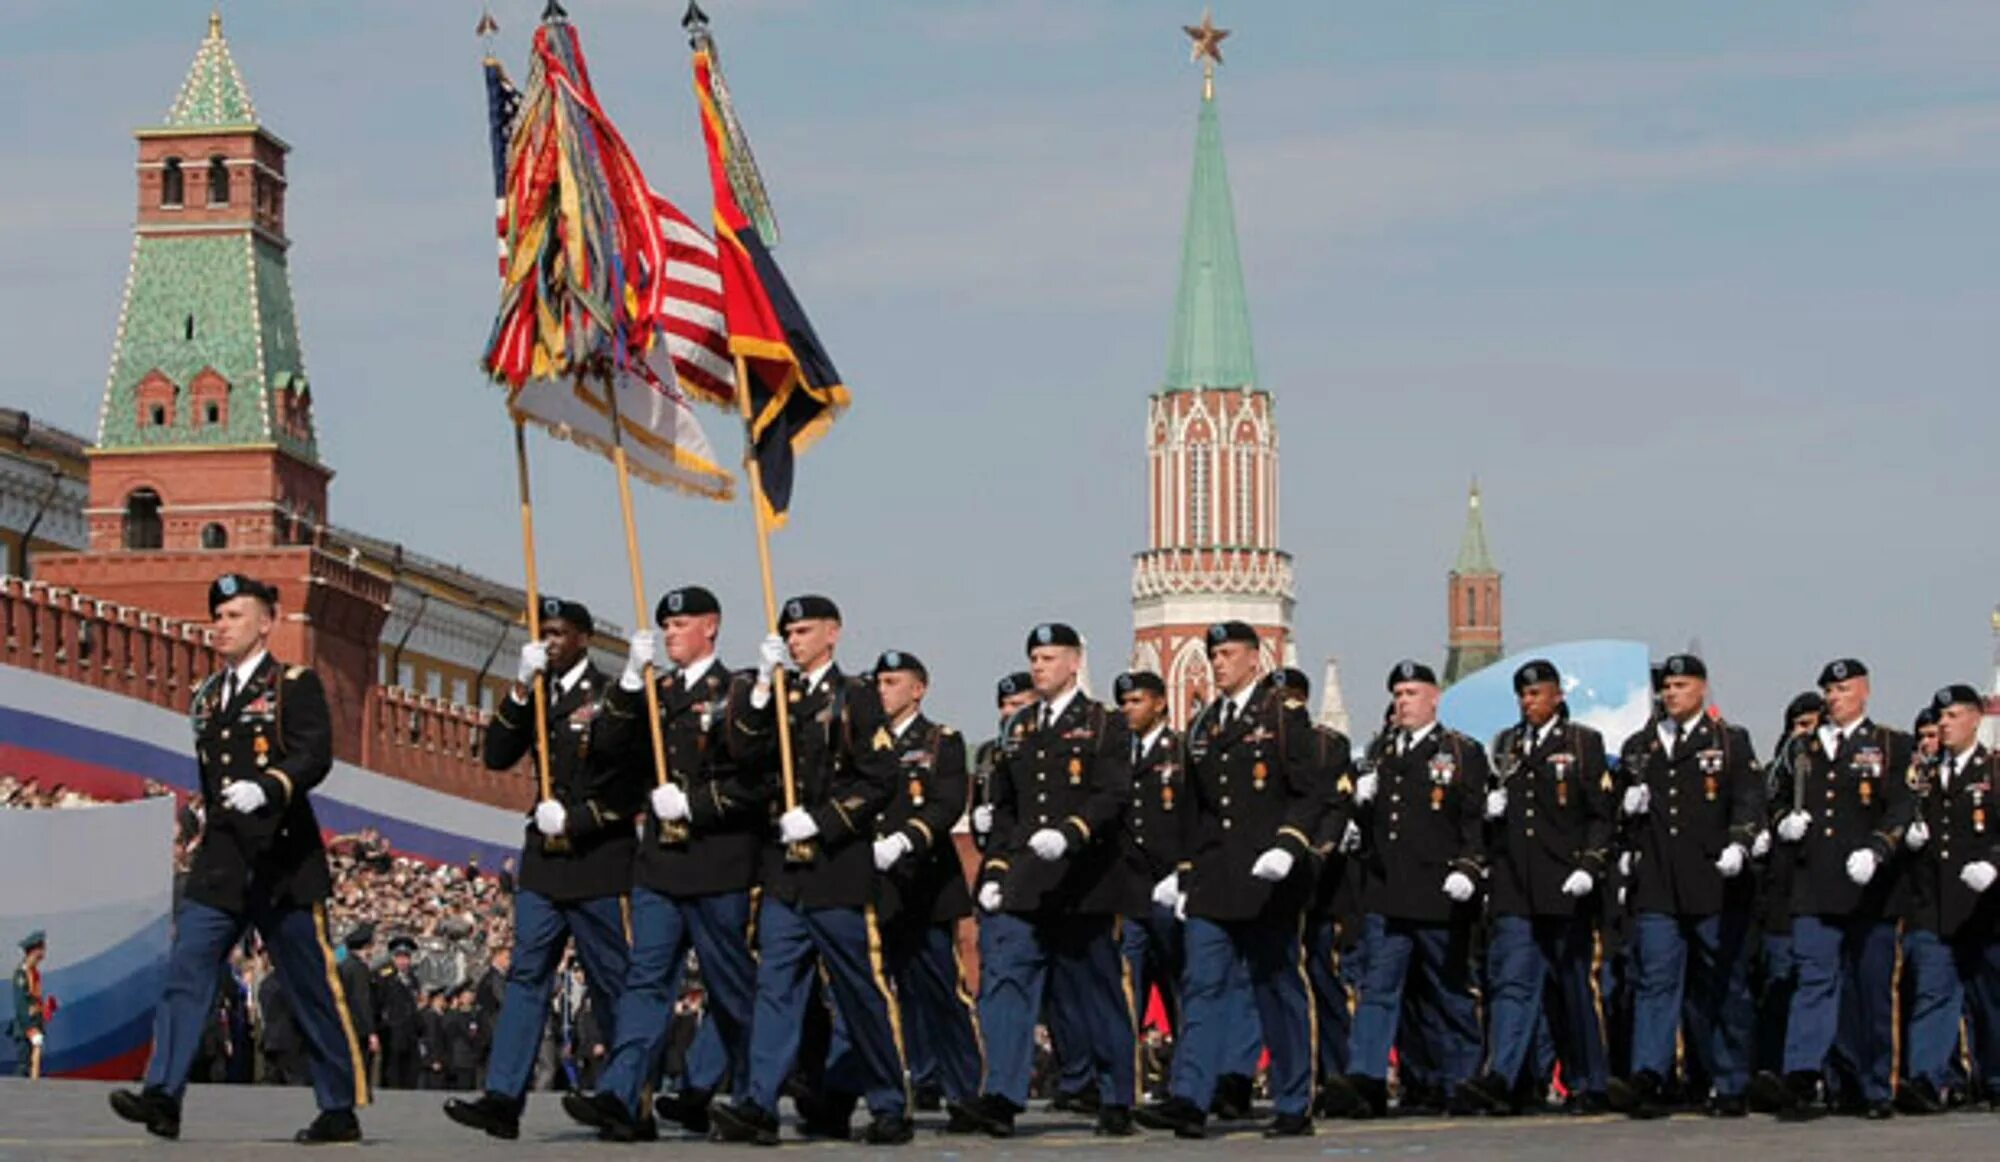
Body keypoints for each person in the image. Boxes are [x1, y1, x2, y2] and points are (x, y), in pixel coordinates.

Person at [109, 573, 366, 1144]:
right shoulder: (207, 697)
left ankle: (339, 1105)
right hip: (224, 861)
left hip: (283, 859)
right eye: (218, 616)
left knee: (309, 987)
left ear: (267, 622)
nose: (221, 626)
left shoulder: (293, 685)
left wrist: (271, 786)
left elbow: (314, 755)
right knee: (187, 973)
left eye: (234, 615)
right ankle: (163, 1095)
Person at [562, 585, 765, 1142]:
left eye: (681, 624)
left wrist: (696, 805)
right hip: (660, 864)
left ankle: (753, 1097)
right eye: (666, 626)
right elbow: (604, 750)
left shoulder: (739, 691)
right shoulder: (653, 693)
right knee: (646, 982)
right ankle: (621, 1095)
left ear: (711, 627)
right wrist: (628, 680)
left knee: (730, 987)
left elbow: (756, 779)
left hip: (718, 862)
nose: (671, 633)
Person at [707, 595, 912, 1146]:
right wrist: (755, 693)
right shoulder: (777, 693)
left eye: (804, 630)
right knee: (777, 987)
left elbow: (880, 779)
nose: (795, 640)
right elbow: (741, 754)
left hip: (836, 867)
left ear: (833, 633)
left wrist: (822, 822)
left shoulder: (858, 697)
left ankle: (890, 1101)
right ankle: (759, 1102)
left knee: (859, 992)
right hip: (784, 873)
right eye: (789, 632)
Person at [446, 597, 640, 1140]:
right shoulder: (535, 693)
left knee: (613, 983)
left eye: (558, 633)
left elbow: (630, 784)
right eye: (543, 633)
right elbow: (496, 755)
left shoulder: (610, 695)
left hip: (599, 856)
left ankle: (628, 1100)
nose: (549, 642)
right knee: (527, 976)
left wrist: (575, 819)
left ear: (583, 638)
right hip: (545, 863)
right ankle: (504, 1098)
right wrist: (515, 688)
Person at [1136, 623, 1332, 1139]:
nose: (1218, 663)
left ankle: (1294, 1100)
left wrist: (1290, 844)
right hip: (1214, 880)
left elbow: (1310, 792)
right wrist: (1183, 873)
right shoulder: (1203, 726)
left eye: (1227, 654)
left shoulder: (1283, 717)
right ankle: (1191, 1099)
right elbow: (1196, 811)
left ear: (1254, 658)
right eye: (1213, 654)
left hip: (1268, 878)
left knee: (1277, 987)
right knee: (1202, 987)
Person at [960, 623, 1138, 1138]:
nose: (1039, 666)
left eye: (1049, 657)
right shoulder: (1021, 729)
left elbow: (1113, 794)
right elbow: (1009, 806)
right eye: (1034, 657)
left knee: (1094, 990)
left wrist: (1072, 831)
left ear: (1075, 662)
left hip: (1085, 880)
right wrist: (996, 869)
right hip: (1027, 880)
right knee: (1009, 982)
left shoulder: (1104, 723)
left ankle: (1116, 1094)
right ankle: (1003, 1094)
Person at [1462, 659, 1614, 1116]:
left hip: (1563, 881)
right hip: (1516, 883)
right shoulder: (1506, 745)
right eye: (1523, 696)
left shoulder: (1582, 744)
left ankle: (1589, 1080)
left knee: (1570, 987)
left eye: (1536, 694)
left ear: (1556, 696)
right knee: (1513, 983)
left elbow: (1599, 815)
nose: (1529, 703)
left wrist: (1590, 864)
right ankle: (1503, 1078)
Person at [1336, 661, 1488, 1116]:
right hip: (1388, 894)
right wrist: (1358, 810)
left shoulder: (1460, 752)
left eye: (1412, 693)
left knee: (1447, 994)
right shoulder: (1382, 753)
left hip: (1439, 893)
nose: (1403, 702)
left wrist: (1469, 868)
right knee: (1378, 991)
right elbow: (1375, 828)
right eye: (1398, 694)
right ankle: (1366, 1078)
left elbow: (1474, 820)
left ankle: (1460, 1079)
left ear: (1434, 697)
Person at [1614, 655, 1764, 1117]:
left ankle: (1730, 1078)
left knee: (1721, 985)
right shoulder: (1642, 746)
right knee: (1656, 982)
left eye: (1681, 685)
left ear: (1701, 688)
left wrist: (1740, 843)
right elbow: (1618, 815)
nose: (1672, 693)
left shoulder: (1728, 740)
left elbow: (1748, 800)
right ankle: (1650, 1074)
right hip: (1659, 884)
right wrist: (1627, 808)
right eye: (1667, 686)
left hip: (1713, 884)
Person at [1768, 659, 1912, 1119]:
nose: (1834, 697)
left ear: (1864, 691)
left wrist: (1878, 849)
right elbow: (1773, 794)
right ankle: (1802, 1074)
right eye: (1829, 690)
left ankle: (1871, 1086)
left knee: (1869, 991)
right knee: (1814, 980)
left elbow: (1902, 807)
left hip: (1871, 889)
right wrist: (1781, 823)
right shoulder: (1804, 747)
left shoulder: (1891, 744)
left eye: (1843, 689)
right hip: (1814, 883)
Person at [861, 651, 985, 1129]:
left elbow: (946, 802)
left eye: (893, 681)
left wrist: (905, 839)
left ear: (919, 689)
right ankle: (900, 1085)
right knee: (880, 991)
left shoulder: (941, 742)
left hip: (926, 885)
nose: (882, 689)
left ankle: (964, 1089)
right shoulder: (863, 742)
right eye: (879, 681)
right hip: (875, 886)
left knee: (940, 991)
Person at [1896, 684, 2000, 1112]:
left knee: (1989, 999)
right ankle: (1926, 1078)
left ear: (1976, 719)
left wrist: (1994, 862)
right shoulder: (1922, 776)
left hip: (1984, 908)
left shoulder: (1993, 772)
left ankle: (1993, 1077)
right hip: (1933, 907)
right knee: (1932, 994)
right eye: (1940, 717)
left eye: (1953, 715)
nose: (1944, 724)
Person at [1748, 691, 1823, 1110]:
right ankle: (1773, 1073)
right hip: (1778, 899)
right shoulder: (1774, 774)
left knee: (1813, 987)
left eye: (1812, 725)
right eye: (1798, 725)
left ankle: (1810, 1074)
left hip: (1819, 896)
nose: (1804, 734)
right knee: (1777, 986)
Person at [375, 936, 423, 1090]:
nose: (403, 962)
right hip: (392, 1031)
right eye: (400, 957)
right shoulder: (385, 977)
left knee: (409, 1073)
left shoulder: (413, 979)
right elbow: (378, 1004)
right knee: (392, 1072)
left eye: (406, 958)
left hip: (410, 1032)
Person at [338, 925, 377, 1084]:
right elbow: (362, 1000)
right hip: (358, 1027)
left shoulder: (343, 966)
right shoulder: (359, 969)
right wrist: (371, 1032)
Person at [11, 931, 46, 1077]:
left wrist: (45, 1010)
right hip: (26, 1029)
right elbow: (21, 1006)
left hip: (35, 1026)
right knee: (23, 1067)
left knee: (34, 1068)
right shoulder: (21, 973)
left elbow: (35, 1000)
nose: (44, 952)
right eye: (42, 948)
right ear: (34, 951)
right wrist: (30, 1030)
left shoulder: (34, 972)